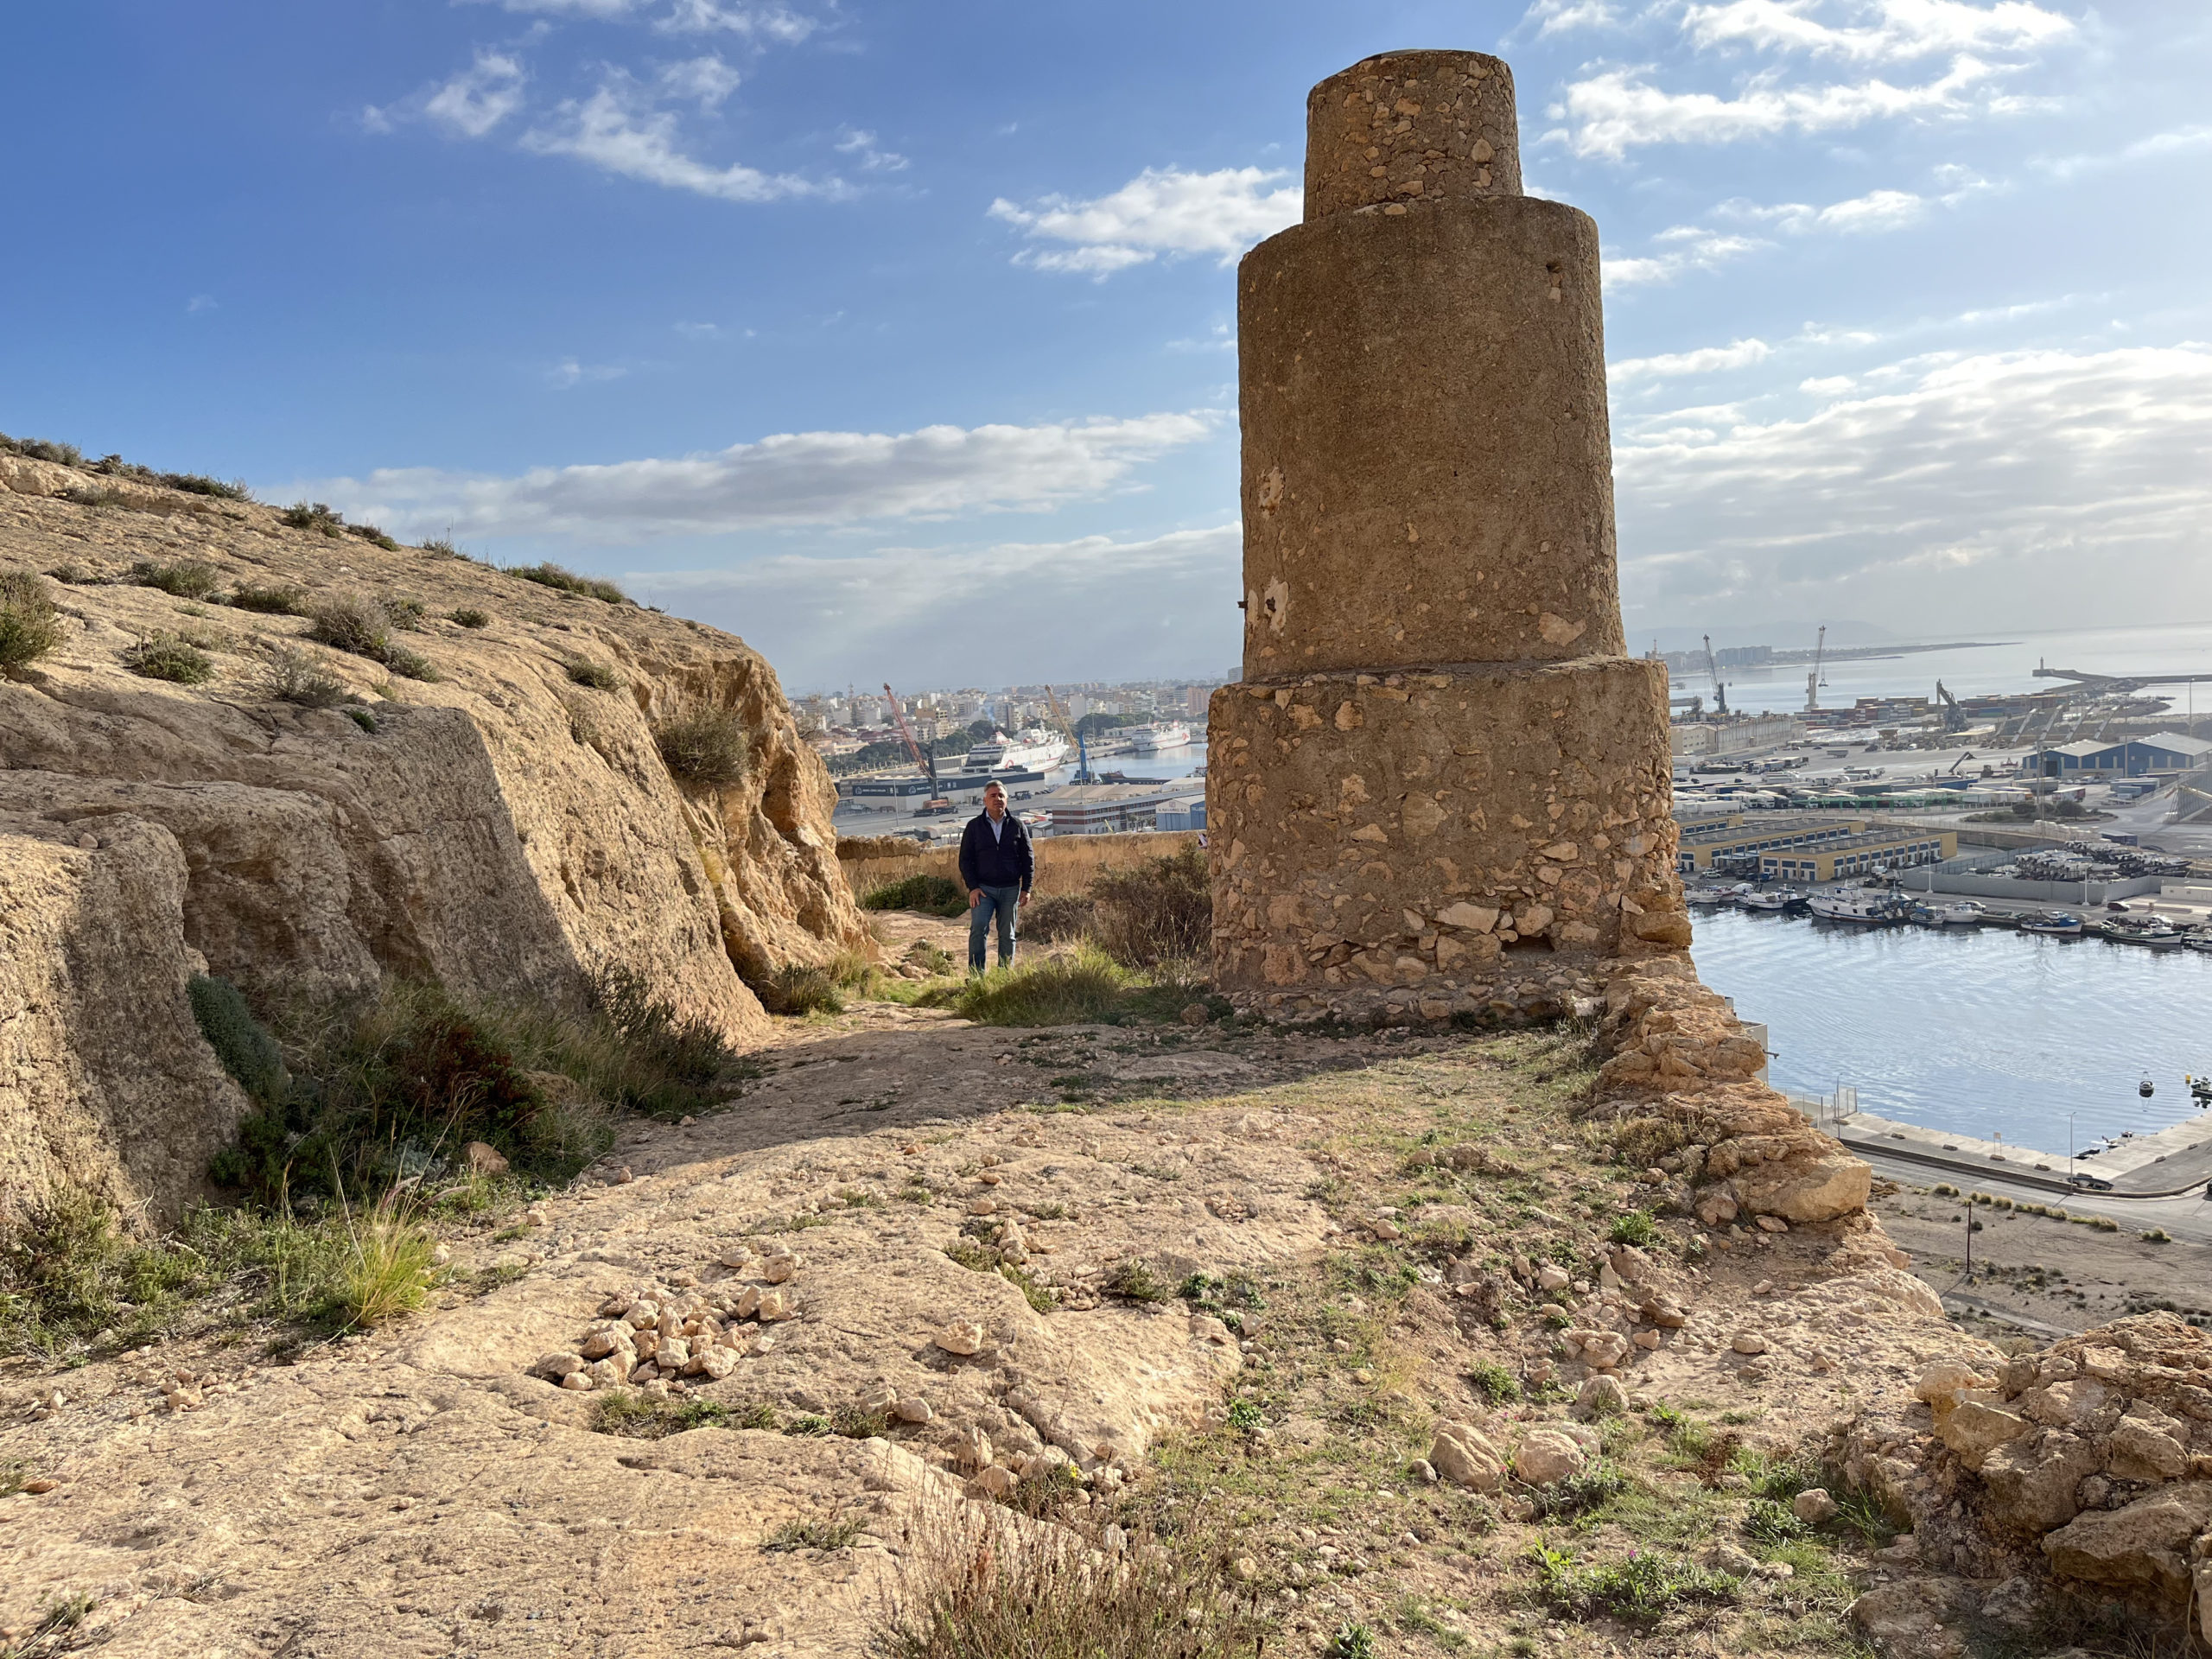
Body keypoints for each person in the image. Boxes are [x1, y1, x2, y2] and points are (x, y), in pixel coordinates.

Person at [957, 780, 1033, 972]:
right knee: (978, 929)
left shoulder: (1017, 825)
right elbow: (965, 860)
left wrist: (1027, 888)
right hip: (983, 889)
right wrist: (973, 887)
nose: (997, 799)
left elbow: (1028, 858)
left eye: (1001, 796)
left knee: (1007, 934)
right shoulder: (974, 827)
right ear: (985, 800)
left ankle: (1004, 976)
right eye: (993, 796)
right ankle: (976, 976)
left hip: (1010, 889)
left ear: (1006, 800)